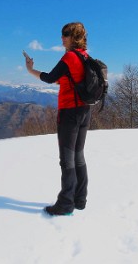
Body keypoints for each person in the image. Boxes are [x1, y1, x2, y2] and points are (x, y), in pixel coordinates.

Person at [23, 22, 91, 216]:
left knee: (67, 158)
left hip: (69, 112)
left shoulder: (70, 57)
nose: (62, 38)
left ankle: (66, 203)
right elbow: (60, 79)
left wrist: (29, 70)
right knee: (78, 156)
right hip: (85, 111)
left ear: (74, 36)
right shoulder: (84, 57)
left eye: (66, 34)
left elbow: (50, 77)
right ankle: (80, 199)